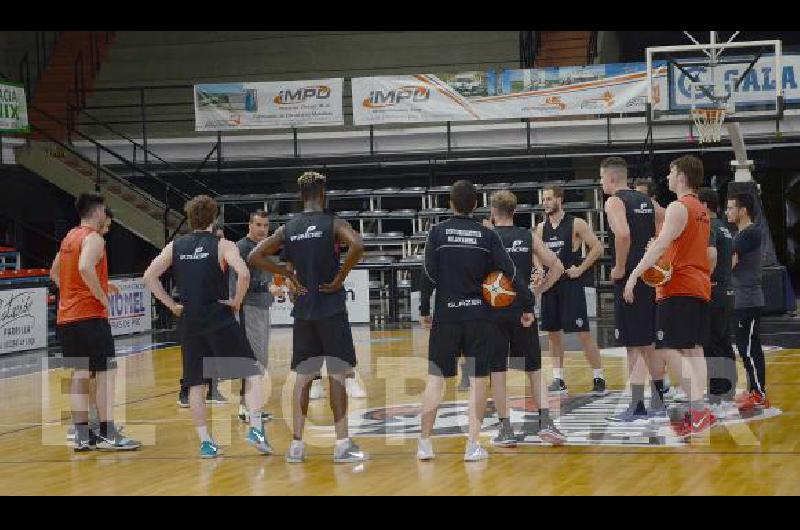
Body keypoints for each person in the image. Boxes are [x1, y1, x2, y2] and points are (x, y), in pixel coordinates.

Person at [248, 171, 368, 464]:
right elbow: (358, 246)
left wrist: (285, 273)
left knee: (303, 378)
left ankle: (296, 446)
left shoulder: (289, 227)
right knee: (337, 376)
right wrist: (340, 277)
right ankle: (341, 446)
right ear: (323, 195)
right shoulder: (332, 222)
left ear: (302, 197)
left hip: (303, 311)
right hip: (331, 307)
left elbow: (254, 256)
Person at [143, 195, 272, 458]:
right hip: (218, 315)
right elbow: (244, 274)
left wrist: (171, 305)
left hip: (190, 319)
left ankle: (206, 442)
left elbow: (149, 276)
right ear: (214, 219)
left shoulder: (175, 246)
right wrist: (236, 302)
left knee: (196, 384)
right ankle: (256, 428)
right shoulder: (222, 245)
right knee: (252, 372)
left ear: (190, 219)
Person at [417, 180, 535, 462]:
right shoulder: (486, 235)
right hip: (477, 318)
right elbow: (509, 271)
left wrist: (424, 307)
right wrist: (527, 302)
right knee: (479, 381)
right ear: (475, 205)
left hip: (446, 316)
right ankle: (472, 445)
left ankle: (424, 444)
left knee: (436, 380)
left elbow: (427, 274)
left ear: (450, 203)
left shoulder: (437, 232)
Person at [624, 155, 715, 436]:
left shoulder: (678, 206)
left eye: (671, 171)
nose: (667, 177)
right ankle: (700, 411)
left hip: (679, 287)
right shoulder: (701, 209)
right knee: (693, 349)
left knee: (665, 348)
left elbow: (660, 246)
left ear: (683, 176)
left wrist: (634, 274)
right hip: (699, 286)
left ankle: (698, 408)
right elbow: (679, 245)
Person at [50, 193, 140, 451]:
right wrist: (100, 297)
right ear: (98, 212)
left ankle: (81, 434)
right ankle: (107, 432)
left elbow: (55, 273)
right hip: (89, 315)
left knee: (80, 374)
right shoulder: (94, 238)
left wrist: (76, 291)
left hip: (67, 316)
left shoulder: (69, 237)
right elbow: (85, 267)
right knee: (105, 374)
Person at [484, 190, 567, 447]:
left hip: (494, 312)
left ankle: (506, 429)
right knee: (534, 369)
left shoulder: (488, 238)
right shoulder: (527, 236)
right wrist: (537, 291)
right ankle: (546, 422)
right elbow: (558, 267)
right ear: (514, 211)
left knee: (497, 372)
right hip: (524, 311)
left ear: (493, 212)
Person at [601, 157, 669, 423]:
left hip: (630, 278)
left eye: (601, 177)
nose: (600, 182)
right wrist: (653, 246)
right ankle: (660, 400)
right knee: (649, 342)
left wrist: (619, 267)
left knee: (633, 345)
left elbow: (623, 234)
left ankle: (637, 404)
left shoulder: (614, 201)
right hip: (649, 276)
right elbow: (665, 219)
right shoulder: (645, 201)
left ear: (611, 178)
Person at [535, 186, 606, 396]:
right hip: (550, 286)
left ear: (559, 199)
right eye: (544, 199)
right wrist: (539, 271)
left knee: (583, 333)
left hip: (570, 285)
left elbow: (597, 247)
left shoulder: (576, 223)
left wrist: (581, 268)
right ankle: (558, 379)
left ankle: (599, 376)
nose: (545, 203)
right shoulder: (540, 228)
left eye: (549, 199)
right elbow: (535, 252)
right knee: (553, 335)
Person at [229, 210, 282, 423]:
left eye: (265, 226)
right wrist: (266, 287)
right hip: (248, 307)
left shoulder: (265, 247)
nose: (262, 229)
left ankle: (247, 407)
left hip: (261, 307)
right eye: (258, 225)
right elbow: (241, 281)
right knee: (255, 360)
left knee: (259, 360)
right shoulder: (243, 247)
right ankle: (248, 409)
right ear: (249, 225)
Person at [176, 225, 229, 407]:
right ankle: (184, 392)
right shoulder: (202, 255)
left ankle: (212, 391)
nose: (220, 240)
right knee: (192, 357)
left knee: (213, 353)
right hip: (195, 313)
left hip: (216, 312)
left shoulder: (224, 254)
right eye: (218, 236)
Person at [726, 193, 770, 411]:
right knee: (746, 348)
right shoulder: (742, 234)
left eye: (731, 208)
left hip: (748, 300)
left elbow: (729, 263)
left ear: (743, 210)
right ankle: (754, 389)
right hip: (742, 300)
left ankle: (759, 393)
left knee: (750, 348)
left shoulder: (748, 233)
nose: (728, 212)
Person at [697, 188, 738, 419]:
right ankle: (728, 392)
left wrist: (703, 276)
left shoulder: (710, 226)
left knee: (711, 342)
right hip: (727, 289)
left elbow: (710, 255)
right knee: (723, 341)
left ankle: (716, 395)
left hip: (713, 289)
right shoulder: (725, 226)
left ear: (705, 206)